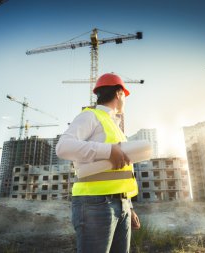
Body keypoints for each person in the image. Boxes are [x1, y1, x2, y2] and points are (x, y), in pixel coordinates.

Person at [56, 73, 141, 253]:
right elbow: (63, 147)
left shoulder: (115, 127)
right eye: (125, 96)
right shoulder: (90, 116)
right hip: (95, 204)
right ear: (119, 93)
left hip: (121, 204)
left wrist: (129, 206)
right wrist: (109, 150)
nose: (125, 100)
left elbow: (119, 171)